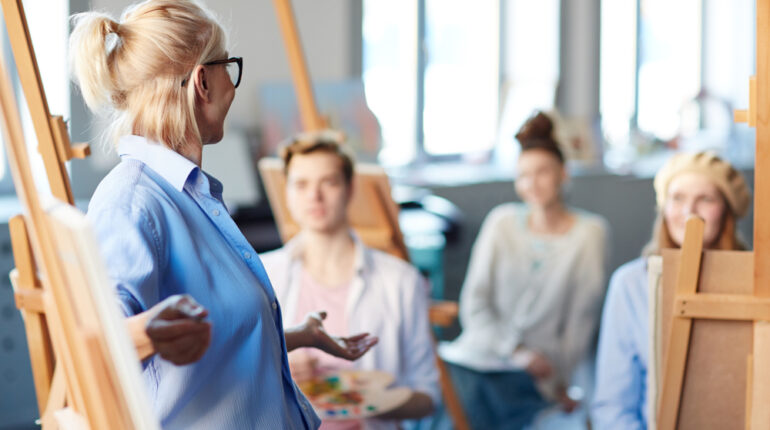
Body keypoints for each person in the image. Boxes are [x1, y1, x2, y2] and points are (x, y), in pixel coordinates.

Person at [69, 2, 376, 428]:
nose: (232, 86)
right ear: (202, 82)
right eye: (227, 67)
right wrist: (145, 332)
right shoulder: (133, 202)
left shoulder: (189, 194)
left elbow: (209, 349)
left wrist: (299, 335)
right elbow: (96, 345)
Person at [438, 111, 610, 429]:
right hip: (480, 355)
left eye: (542, 171)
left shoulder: (589, 233)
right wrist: (514, 350)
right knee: (450, 391)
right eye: (523, 174)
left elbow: (580, 323)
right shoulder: (501, 222)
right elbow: (475, 305)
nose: (532, 183)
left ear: (564, 173)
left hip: (540, 372)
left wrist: (558, 380)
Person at [260, 131, 441, 430]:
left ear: (350, 188)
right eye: (301, 184)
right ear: (287, 192)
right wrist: (277, 374)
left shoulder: (401, 281)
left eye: (328, 182)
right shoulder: (263, 275)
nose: (313, 196)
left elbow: (428, 395)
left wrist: (375, 402)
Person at [591, 151, 751, 429]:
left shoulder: (756, 284)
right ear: (663, 208)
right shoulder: (630, 285)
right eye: (677, 198)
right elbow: (612, 407)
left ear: (726, 210)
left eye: (706, 199)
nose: (689, 212)